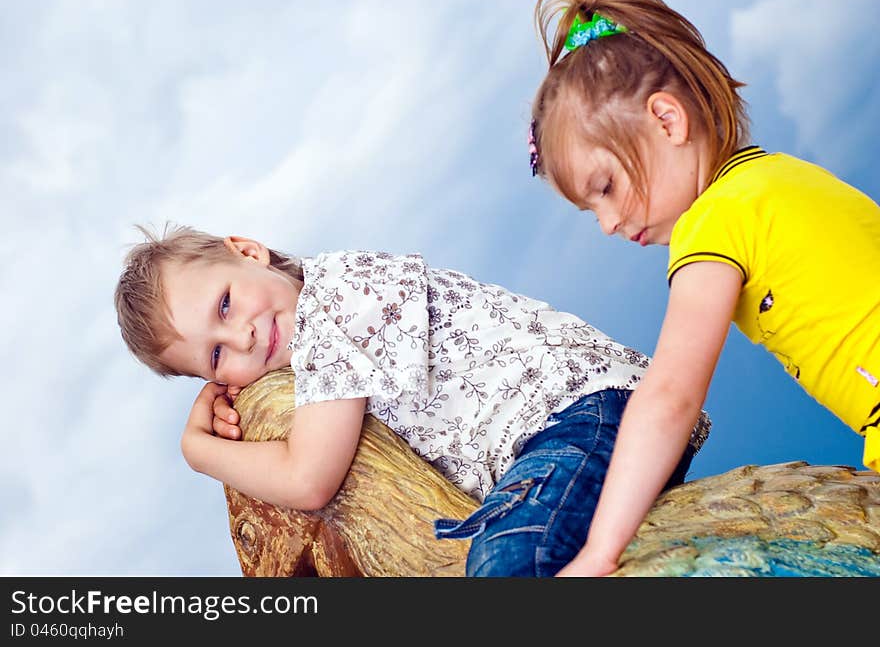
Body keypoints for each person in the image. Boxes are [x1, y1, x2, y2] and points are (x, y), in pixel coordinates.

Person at [115, 224, 710, 576]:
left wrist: (198, 450)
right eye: (216, 357)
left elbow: (308, 478)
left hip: (582, 415)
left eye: (224, 305)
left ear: (248, 250)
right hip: (553, 441)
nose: (240, 336)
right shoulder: (319, 351)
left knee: (509, 558)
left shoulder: (338, 301)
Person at [527, 0, 880, 576]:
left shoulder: (712, 222)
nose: (609, 224)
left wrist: (599, 551)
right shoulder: (777, 177)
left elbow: (670, 397)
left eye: (606, 187)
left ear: (667, 120)